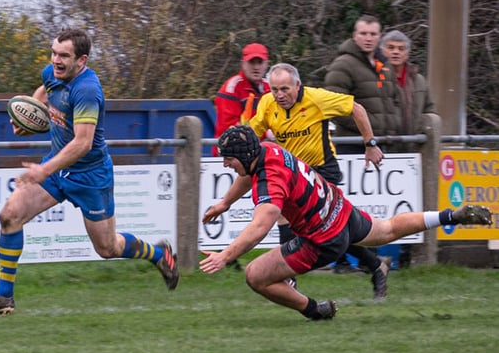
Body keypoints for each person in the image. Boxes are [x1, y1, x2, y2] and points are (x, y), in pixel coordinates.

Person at [0, 29, 179, 316]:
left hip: (90, 175)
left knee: (107, 248)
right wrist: (28, 116)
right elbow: (44, 91)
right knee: (9, 215)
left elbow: (83, 143)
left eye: (63, 56)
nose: (56, 60)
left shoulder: (87, 91)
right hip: (57, 169)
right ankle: (4, 296)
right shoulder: (53, 72)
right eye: (54, 52)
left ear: (81, 60)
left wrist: (43, 169)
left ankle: (158, 253)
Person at [200, 126, 491, 320]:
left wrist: (225, 256)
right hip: (339, 209)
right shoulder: (266, 149)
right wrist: (225, 203)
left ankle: (315, 310)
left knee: (255, 274)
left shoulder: (270, 177)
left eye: (229, 159)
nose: (226, 164)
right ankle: (449, 216)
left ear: (246, 156)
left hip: (321, 239)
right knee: (387, 229)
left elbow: (259, 227)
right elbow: (246, 174)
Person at [249, 63, 390, 299]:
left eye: (285, 89)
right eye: (274, 89)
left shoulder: (317, 99)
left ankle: (374, 266)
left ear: (297, 85)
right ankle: (375, 265)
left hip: (323, 171)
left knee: (328, 231)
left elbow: (357, 109)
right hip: (293, 174)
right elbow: (253, 131)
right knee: (322, 229)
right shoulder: (267, 104)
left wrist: (370, 144)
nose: (279, 95)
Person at [324, 14, 401, 272]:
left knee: (373, 206)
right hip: (351, 145)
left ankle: (371, 259)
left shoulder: (383, 64)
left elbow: (392, 101)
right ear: (355, 35)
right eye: (363, 33)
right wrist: (363, 132)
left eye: (373, 34)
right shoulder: (343, 65)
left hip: (376, 145)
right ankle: (343, 261)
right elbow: (334, 104)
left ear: (379, 36)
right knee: (346, 205)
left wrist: (387, 132)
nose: (368, 38)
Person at [380, 29, 438, 268]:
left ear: (407, 53)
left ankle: (406, 254)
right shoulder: (377, 75)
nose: (396, 52)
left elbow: (430, 108)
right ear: (383, 51)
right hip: (385, 149)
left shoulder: (419, 79)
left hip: (412, 153)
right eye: (391, 47)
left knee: (411, 206)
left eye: (400, 48)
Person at [213, 43, 271, 156]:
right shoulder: (231, 89)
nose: (256, 67)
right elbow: (230, 129)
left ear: (266, 64)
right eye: (251, 62)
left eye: (260, 62)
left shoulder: (270, 88)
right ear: (243, 64)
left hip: (258, 152)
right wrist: (267, 132)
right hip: (231, 153)